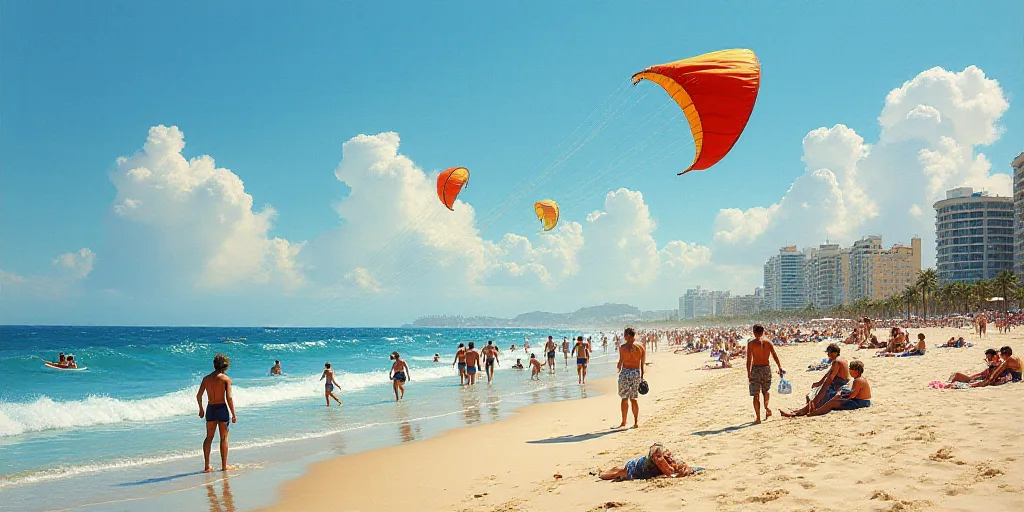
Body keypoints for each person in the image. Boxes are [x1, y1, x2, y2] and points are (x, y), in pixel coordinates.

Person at [782, 344, 848, 418]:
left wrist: (821, 391)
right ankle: (802, 410)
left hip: (838, 386)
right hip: (837, 384)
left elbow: (829, 379)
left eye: (829, 353)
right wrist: (819, 383)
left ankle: (801, 412)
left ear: (834, 353)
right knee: (812, 394)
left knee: (818, 397)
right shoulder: (840, 359)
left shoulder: (837, 362)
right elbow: (828, 373)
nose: (828, 355)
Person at [196, 353, 237, 472]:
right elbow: (229, 397)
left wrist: (201, 409)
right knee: (224, 437)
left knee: (209, 437)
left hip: (210, 409)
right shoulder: (226, 379)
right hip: (221, 409)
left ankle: (207, 466)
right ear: (225, 366)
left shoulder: (206, 378)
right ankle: (224, 466)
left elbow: (199, 395)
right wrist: (233, 414)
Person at [800, 360, 871, 417]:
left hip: (861, 402)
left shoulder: (858, 380)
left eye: (851, 369)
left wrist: (841, 397)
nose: (849, 371)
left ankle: (815, 412)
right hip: (862, 401)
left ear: (856, 371)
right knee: (838, 394)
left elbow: (852, 396)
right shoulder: (860, 379)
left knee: (832, 403)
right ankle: (816, 410)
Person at [599, 443, 703, 481]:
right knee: (617, 472)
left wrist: (687, 469)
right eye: (667, 453)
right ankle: (600, 474)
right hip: (633, 467)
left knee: (618, 472)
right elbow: (655, 450)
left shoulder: (674, 462)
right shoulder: (656, 455)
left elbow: (686, 467)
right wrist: (665, 465)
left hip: (640, 472)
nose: (670, 455)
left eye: (670, 454)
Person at [746, 324, 784, 424]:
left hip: (756, 369)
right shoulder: (768, 342)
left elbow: (749, 360)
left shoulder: (751, 343)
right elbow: (775, 356)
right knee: (765, 391)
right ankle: (767, 408)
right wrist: (779, 367)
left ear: (754, 332)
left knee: (756, 394)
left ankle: (758, 417)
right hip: (766, 369)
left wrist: (749, 374)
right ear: (763, 332)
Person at [616, 327, 646, 429]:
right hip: (636, 373)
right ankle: (636, 422)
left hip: (625, 372)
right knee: (633, 399)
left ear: (626, 336)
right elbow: (642, 364)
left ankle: (624, 422)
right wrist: (641, 376)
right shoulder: (641, 347)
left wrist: (617, 369)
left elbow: (620, 362)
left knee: (624, 398)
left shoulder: (623, 347)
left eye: (624, 335)